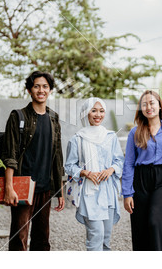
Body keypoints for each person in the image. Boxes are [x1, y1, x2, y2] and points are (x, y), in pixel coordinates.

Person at [2, 71, 64, 251]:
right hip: (23, 187)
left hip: (45, 188)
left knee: (42, 240)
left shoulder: (53, 118)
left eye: (45, 86)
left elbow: (57, 155)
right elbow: (10, 154)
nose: (41, 90)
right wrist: (9, 187)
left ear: (50, 90)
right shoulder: (18, 116)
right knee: (19, 239)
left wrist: (59, 191)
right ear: (29, 90)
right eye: (36, 86)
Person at [122, 90, 162, 251]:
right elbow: (129, 163)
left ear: (159, 106)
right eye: (144, 104)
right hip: (140, 180)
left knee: (156, 222)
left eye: (152, 103)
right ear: (140, 109)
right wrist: (127, 194)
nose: (148, 106)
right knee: (140, 227)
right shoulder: (135, 132)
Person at [64, 97, 124, 251]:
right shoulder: (77, 139)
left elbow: (119, 161)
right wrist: (85, 172)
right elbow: (69, 166)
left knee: (106, 239)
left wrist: (110, 170)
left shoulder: (110, 137)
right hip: (89, 193)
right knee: (95, 235)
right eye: (94, 110)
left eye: (102, 111)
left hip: (108, 192)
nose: (98, 114)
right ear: (86, 113)